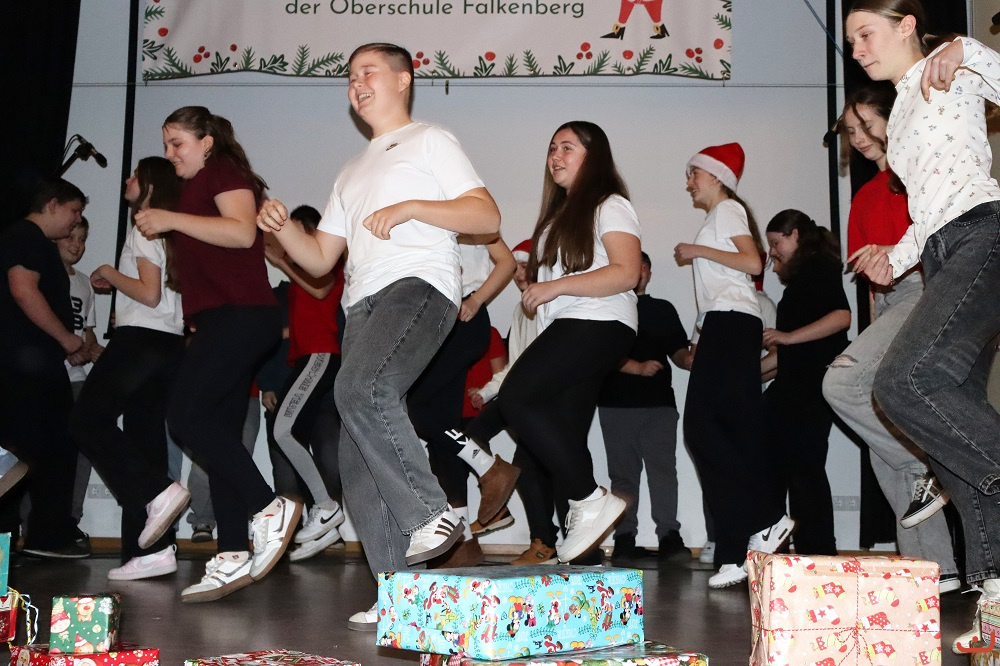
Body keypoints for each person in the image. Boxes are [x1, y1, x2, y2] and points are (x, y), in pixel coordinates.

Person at [256, 43, 501, 630]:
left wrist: (413, 206)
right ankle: (399, 594)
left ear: (403, 80)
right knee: (355, 456)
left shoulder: (430, 140)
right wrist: (283, 230)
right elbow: (320, 261)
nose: (356, 84)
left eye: (368, 72)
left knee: (361, 390)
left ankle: (433, 512)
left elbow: (486, 217)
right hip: (362, 305)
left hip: (419, 286)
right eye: (349, 77)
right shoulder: (350, 170)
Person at [844, 0, 1000, 651]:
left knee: (903, 381)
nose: (856, 50)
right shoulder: (904, 105)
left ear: (906, 24)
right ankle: (996, 586)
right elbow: (928, 206)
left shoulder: (950, 66)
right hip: (940, 249)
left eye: (865, 34)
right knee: (953, 417)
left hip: (982, 235)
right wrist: (897, 255)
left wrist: (972, 50)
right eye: (851, 40)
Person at [135, 106, 300, 602]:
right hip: (221, 320)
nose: (170, 154)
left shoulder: (223, 172)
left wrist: (169, 218)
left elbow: (242, 231)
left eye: (177, 143)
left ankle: (268, 505)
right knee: (221, 437)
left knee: (185, 417)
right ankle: (231, 553)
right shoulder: (196, 186)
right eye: (166, 145)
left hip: (241, 316)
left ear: (206, 142)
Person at [820, 83, 960, 591]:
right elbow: (873, 285)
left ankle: (931, 468)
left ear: (892, 117)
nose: (858, 137)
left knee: (840, 384)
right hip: (892, 302)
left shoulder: (919, 176)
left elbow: (950, 247)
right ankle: (934, 570)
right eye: (850, 130)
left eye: (866, 124)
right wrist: (873, 328)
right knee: (884, 431)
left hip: (929, 288)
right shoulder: (863, 196)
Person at [496, 120, 640, 564]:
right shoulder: (559, 216)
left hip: (598, 321)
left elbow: (626, 272)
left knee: (515, 398)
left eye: (567, 147)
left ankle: (590, 499)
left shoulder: (610, 205)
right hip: (574, 325)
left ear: (593, 156)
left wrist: (554, 287)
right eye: (552, 148)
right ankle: (585, 548)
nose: (555, 156)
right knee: (566, 433)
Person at [674, 142, 793, 589]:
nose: (689, 182)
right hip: (724, 325)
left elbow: (752, 261)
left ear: (717, 177)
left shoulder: (727, 210)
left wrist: (697, 250)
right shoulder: (718, 217)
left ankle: (765, 519)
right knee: (729, 436)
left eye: (694, 173)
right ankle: (735, 550)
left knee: (702, 430)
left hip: (732, 324)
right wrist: (700, 333)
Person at [70, 156, 186, 580]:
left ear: (150, 185)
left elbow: (149, 294)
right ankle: (151, 552)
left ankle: (159, 491)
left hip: (140, 340)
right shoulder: (173, 232)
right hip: (170, 345)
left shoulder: (144, 228)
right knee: (145, 442)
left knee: (86, 420)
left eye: (135, 174)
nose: (127, 179)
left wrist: (108, 273)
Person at [0, 177, 88, 558]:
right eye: (74, 211)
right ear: (52, 204)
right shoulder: (27, 237)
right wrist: (66, 339)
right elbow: (23, 290)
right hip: (26, 367)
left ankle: (21, 539)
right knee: (48, 448)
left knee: (23, 451)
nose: (76, 220)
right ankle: (45, 537)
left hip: (27, 364)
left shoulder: (29, 240)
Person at [761, 210, 850, 556]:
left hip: (810, 388)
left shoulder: (819, 266)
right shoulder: (803, 279)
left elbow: (841, 317)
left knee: (804, 470)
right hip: (795, 386)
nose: (773, 252)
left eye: (776, 243)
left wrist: (786, 337)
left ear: (795, 234)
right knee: (779, 465)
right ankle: (781, 548)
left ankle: (817, 551)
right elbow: (787, 354)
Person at [262, 205, 347, 561]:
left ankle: (326, 507)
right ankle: (324, 519)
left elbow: (321, 290)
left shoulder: (326, 264)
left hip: (320, 355)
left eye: (295, 232)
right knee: (289, 435)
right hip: (306, 358)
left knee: (282, 431)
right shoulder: (299, 271)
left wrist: (283, 263)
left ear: (311, 231)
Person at [598, 251, 692, 564]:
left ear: (649, 272)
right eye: (632, 266)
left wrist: (690, 359)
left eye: (643, 267)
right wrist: (636, 367)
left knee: (663, 471)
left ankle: (669, 537)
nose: (638, 272)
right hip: (615, 403)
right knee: (623, 477)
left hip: (659, 404)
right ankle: (624, 539)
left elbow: (678, 352)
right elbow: (599, 353)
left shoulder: (662, 309)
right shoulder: (606, 306)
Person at [56, 217, 103, 545]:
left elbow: (88, 332)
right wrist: (66, 348)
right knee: (46, 451)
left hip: (76, 378)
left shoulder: (85, 284)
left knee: (86, 445)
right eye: (70, 237)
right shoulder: (43, 277)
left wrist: (91, 350)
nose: (76, 245)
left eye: (82, 239)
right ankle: (33, 523)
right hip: (48, 377)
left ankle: (71, 519)